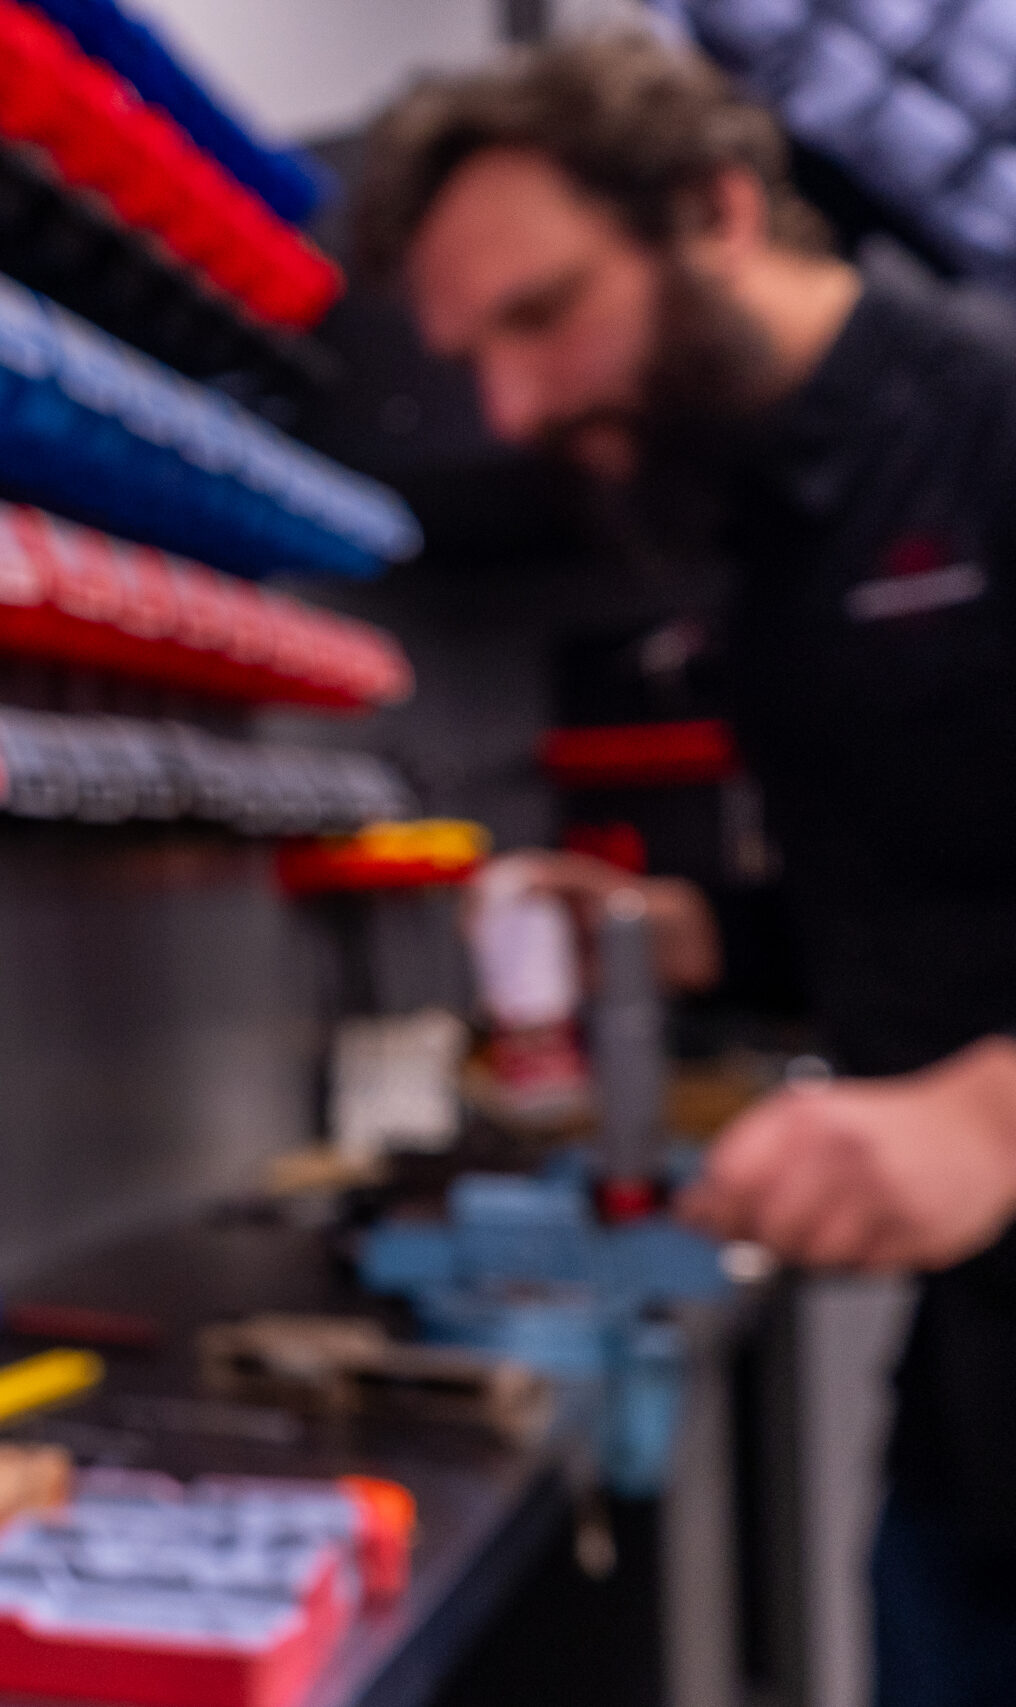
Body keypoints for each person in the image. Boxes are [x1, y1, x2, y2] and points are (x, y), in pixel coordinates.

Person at [353, 32, 1016, 1700]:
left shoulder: (991, 418)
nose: (511, 409)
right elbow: (926, 901)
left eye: (542, 315)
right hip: (978, 1407)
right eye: (473, 358)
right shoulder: (764, 537)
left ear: (716, 210)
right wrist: (695, 934)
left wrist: (995, 1116)